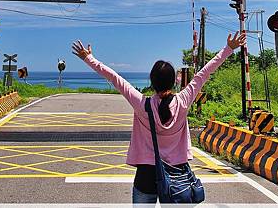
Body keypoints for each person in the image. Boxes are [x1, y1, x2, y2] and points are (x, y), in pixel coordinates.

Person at [71, 31, 246, 204]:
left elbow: (116, 79)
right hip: (177, 173)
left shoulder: (142, 104)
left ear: (152, 82)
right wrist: (228, 49)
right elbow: (204, 73)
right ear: (174, 81)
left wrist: (89, 59)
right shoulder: (183, 100)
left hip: (146, 174)